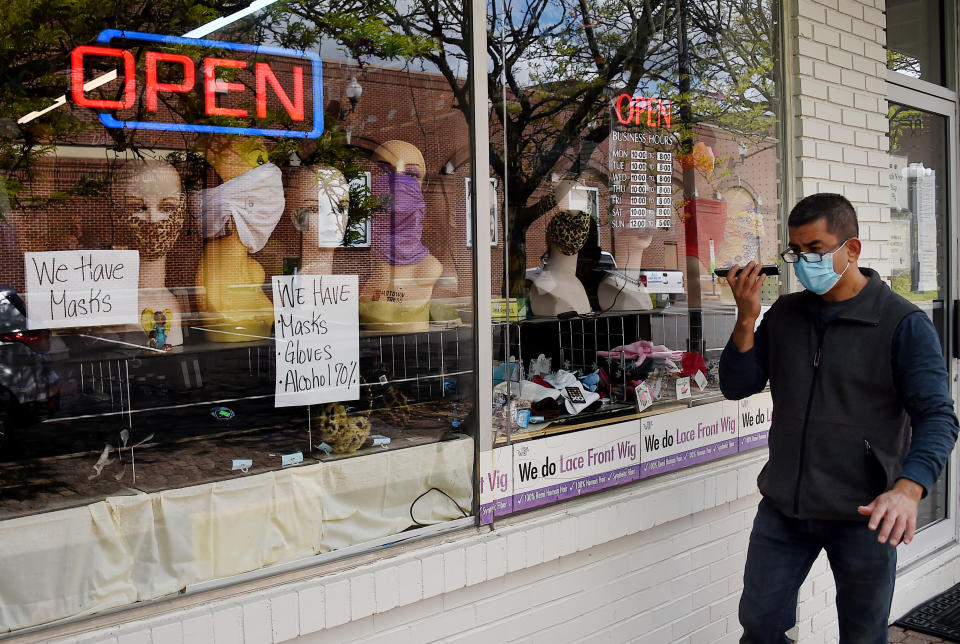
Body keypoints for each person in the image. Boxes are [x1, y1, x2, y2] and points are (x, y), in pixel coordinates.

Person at [719, 193, 959, 643]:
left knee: (863, 634)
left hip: (866, 511)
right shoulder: (786, 313)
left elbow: (939, 418)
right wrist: (746, 319)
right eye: (796, 251)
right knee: (760, 624)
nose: (804, 261)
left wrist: (909, 489)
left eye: (816, 249)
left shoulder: (901, 323)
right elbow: (738, 385)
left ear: (852, 249)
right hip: (785, 506)